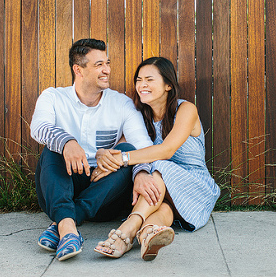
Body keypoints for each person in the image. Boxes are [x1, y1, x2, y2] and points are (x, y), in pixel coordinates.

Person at [30, 38, 155, 261]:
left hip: (104, 193)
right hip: (60, 186)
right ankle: (69, 229)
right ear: (78, 69)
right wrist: (67, 143)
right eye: (99, 65)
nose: (107, 70)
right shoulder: (53, 97)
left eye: (107, 63)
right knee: (53, 149)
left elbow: (143, 146)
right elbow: (39, 128)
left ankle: (64, 223)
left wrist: (141, 173)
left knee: (126, 151)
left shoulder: (121, 103)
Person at [91, 56, 220, 261]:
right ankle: (149, 232)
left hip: (194, 185)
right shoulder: (141, 117)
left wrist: (123, 159)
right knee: (163, 210)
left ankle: (127, 230)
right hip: (161, 190)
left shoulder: (185, 109)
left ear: (168, 84)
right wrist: (105, 157)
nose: (142, 85)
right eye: (139, 80)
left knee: (159, 165)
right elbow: (121, 148)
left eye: (149, 79)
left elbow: (166, 150)